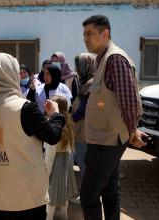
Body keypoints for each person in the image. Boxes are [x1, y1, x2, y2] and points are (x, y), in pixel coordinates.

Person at [0, 53, 66, 220]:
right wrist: (57, 115)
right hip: (26, 198)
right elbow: (52, 136)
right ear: (10, 74)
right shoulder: (25, 108)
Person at [80, 15, 147, 220]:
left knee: (89, 196)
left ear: (105, 33)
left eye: (90, 34)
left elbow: (129, 101)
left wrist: (133, 130)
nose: (85, 39)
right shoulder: (103, 59)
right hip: (102, 138)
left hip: (107, 141)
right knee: (109, 190)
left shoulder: (115, 59)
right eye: (84, 34)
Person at [44, 95, 78, 220]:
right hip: (66, 159)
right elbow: (72, 146)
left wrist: (46, 170)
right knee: (65, 188)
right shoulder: (69, 123)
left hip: (56, 161)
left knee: (52, 191)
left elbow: (50, 150)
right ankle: (64, 214)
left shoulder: (54, 126)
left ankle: (50, 216)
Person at [70, 52, 97, 205]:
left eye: (80, 65)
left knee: (84, 164)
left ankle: (88, 197)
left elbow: (84, 109)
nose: (78, 69)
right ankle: (90, 194)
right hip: (85, 129)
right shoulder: (88, 82)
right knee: (86, 163)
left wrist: (70, 119)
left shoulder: (91, 84)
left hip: (84, 131)